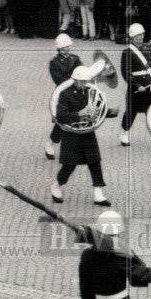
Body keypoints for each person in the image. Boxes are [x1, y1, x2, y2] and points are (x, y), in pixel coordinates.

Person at [50, 66, 109, 206]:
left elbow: (98, 107)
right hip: (72, 134)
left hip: (87, 132)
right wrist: (80, 114)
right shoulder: (65, 94)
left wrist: (109, 112)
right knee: (70, 165)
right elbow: (61, 115)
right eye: (81, 81)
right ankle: (57, 185)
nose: (85, 84)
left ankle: (98, 193)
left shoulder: (89, 92)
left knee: (95, 162)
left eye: (86, 81)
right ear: (75, 80)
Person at [119, 23, 151, 147]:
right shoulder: (127, 52)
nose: (140, 37)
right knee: (131, 112)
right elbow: (126, 73)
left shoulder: (147, 48)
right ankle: (124, 133)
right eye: (137, 36)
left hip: (149, 86)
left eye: (141, 34)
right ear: (132, 37)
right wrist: (136, 85)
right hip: (136, 89)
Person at [45, 33, 83, 160]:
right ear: (59, 49)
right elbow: (59, 80)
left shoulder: (75, 59)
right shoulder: (54, 63)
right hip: (63, 94)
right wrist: (75, 78)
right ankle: (50, 143)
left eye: (68, 46)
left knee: (78, 119)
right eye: (64, 47)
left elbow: (83, 71)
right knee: (62, 121)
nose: (67, 49)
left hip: (76, 92)